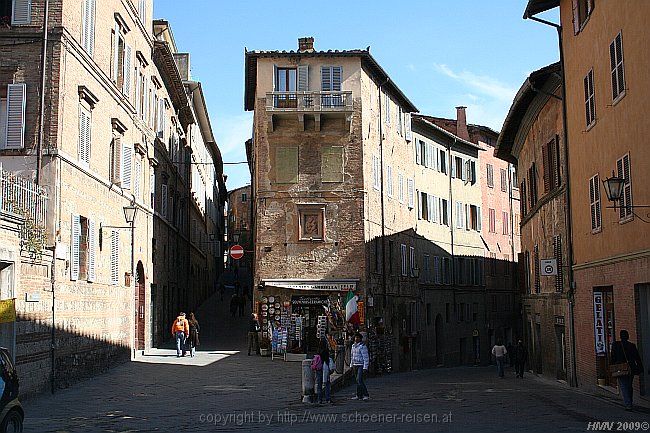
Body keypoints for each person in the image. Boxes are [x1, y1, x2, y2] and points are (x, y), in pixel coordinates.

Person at [610, 330, 644, 411]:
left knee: (624, 386)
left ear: (620, 336)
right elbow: (637, 358)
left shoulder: (616, 345)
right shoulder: (632, 345)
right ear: (627, 336)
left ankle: (628, 404)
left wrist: (613, 367)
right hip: (630, 368)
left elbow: (613, 357)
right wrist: (640, 369)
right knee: (629, 386)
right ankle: (630, 402)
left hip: (620, 368)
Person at [350, 333, 370, 400]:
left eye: (358, 337)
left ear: (360, 339)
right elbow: (352, 356)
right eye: (355, 337)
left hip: (361, 365)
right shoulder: (353, 346)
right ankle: (359, 395)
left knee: (359, 380)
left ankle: (366, 394)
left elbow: (366, 357)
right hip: (355, 364)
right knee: (358, 380)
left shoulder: (362, 346)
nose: (356, 339)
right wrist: (351, 364)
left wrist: (365, 367)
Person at [314, 339, 332, 404]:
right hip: (325, 368)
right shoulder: (326, 351)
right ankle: (328, 399)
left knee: (319, 385)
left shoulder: (318, 351)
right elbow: (328, 360)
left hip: (319, 368)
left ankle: (319, 399)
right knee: (327, 384)